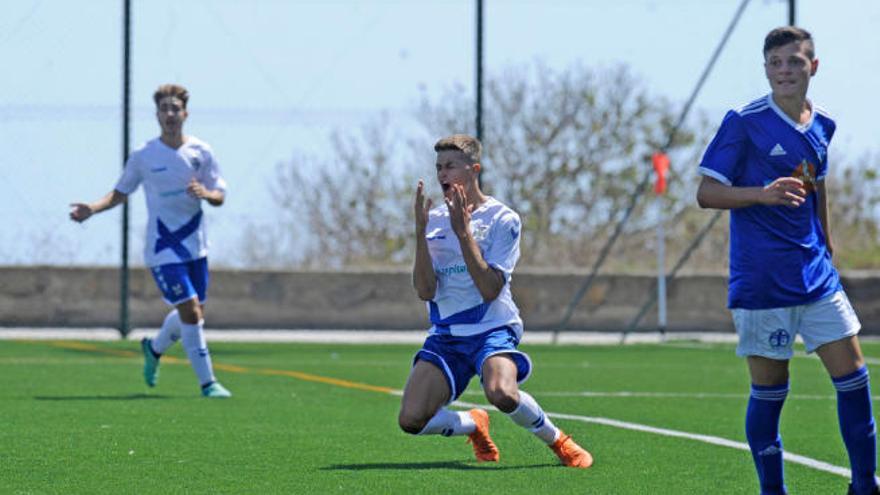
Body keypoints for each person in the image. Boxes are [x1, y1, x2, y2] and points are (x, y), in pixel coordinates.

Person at [697, 27, 876, 495]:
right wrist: (762, 194)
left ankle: (863, 486)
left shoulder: (823, 126)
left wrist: (829, 248)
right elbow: (706, 192)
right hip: (762, 284)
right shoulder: (744, 121)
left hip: (816, 277)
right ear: (766, 69)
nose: (785, 71)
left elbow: (818, 188)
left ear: (812, 67)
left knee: (855, 379)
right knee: (771, 391)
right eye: (776, 63)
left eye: (794, 62)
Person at [398, 134, 592, 468]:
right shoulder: (433, 220)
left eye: (450, 167)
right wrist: (419, 233)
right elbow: (425, 291)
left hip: (492, 327)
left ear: (474, 170)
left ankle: (558, 441)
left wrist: (464, 232)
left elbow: (490, 289)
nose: (442, 174)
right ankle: (473, 423)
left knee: (501, 393)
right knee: (411, 420)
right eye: (438, 168)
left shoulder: (504, 220)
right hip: (447, 335)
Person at [70, 84, 232, 399]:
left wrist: (207, 193)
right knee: (190, 312)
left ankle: (154, 349)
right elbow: (120, 193)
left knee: (194, 310)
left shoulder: (201, 152)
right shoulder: (144, 156)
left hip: (196, 247)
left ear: (185, 113)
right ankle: (208, 383)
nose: (170, 114)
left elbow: (220, 194)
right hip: (163, 248)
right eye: (164, 109)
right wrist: (92, 208)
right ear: (157, 115)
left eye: (175, 108)